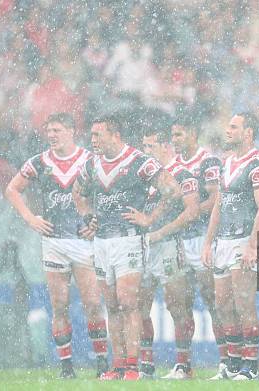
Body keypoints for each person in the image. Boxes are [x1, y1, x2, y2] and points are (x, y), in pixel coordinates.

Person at [73, 114, 183, 380]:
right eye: (92, 134)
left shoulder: (139, 162)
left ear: (115, 135)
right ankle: (118, 365)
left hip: (130, 239)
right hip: (102, 242)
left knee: (128, 302)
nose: (93, 139)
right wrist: (88, 217)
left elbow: (173, 191)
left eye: (98, 134)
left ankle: (133, 366)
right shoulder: (91, 165)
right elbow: (78, 193)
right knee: (111, 305)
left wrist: (150, 219)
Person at [5, 113, 108, 379]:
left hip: (83, 241)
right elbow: (12, 189)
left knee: (93, 303)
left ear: (72, 131)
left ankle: (102, 363)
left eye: (57, 130)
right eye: (49, 130)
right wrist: (30, 218)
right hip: (53, 241)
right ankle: (66, 367)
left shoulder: (90, 160)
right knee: (59, 304)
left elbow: (109, 194)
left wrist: (96, 222)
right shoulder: (40, 162)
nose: (52, 135)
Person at [201, 112, 259, 380]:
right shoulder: (226, 163)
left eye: (234, 127)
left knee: (244, 303)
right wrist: (208, 242)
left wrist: (254, 245)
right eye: (227, 125)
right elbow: (218, 206)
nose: (227, 130)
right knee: (222, 303)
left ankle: (251, 365)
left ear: (248, 132)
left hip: (245, 238)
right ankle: (232, 364)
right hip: (224, 241)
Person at [123, 125, 200, 379]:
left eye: (151, 146)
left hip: (170, 245)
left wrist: (161, 232)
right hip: (142, 247)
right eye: (143, 147)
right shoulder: (143, 177)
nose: (146, 152)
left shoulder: (182, 173)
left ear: (166, 146)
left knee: (177, 305)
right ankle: (146, 364)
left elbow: (191, 212)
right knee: (139, 305)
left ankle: (183, 364)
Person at [170, 112, 226, 379]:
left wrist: (190, 213)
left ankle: (226, 361)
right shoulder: (170, 165)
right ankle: (183, 365)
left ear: (193, 134)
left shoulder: (208, 161)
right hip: (179, 240)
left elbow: (216, 199)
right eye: (172, 135)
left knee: (214, 300)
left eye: (179, 134)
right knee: (180, 303)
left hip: (204, 237)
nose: (175, 140)